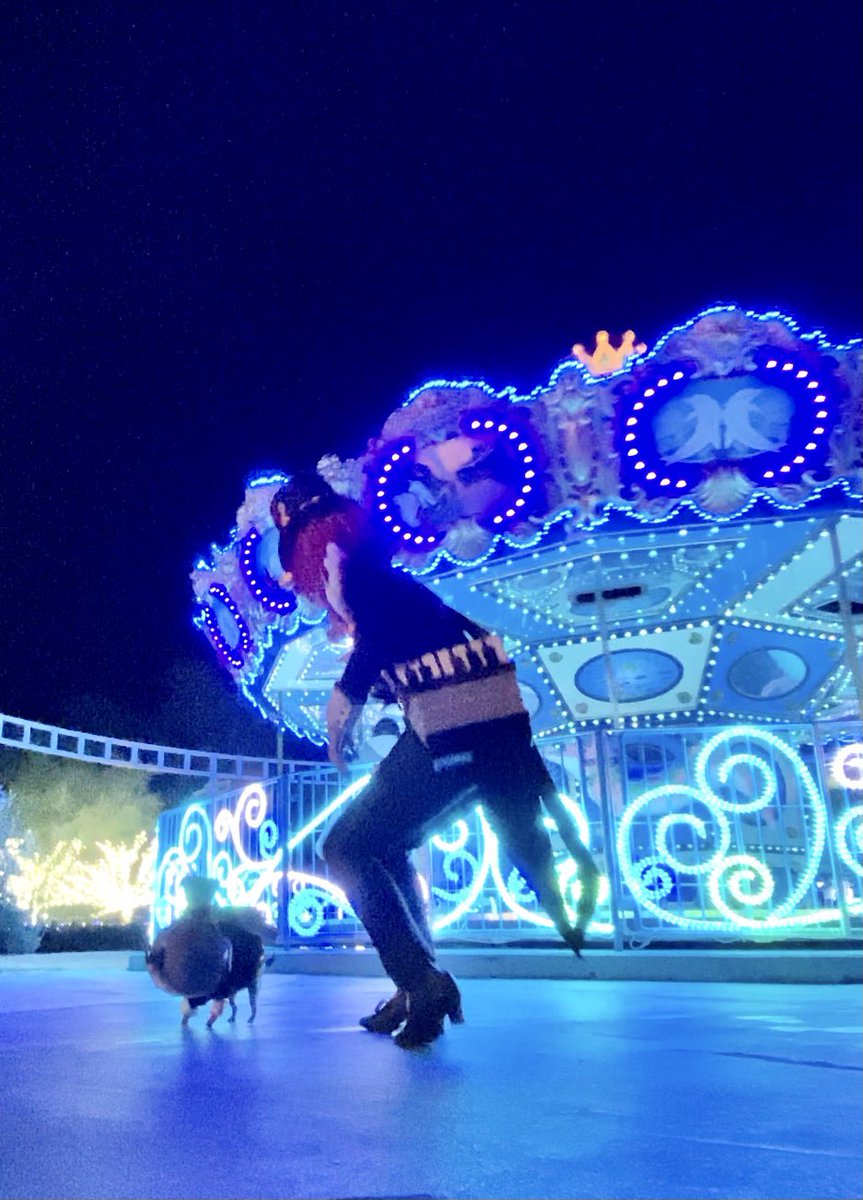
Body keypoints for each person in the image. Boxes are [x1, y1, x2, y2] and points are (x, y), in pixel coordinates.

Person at [276, 472, 600, 1048]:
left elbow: (372, 647)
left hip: (452, 738)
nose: (310, 582)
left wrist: (339, 719)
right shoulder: (392, 587)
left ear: (318, 546)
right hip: (484, 741)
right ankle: (416, 979)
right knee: (383, 845)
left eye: (305, 566)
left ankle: (422, 983)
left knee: (343, 847)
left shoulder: (361, 581)